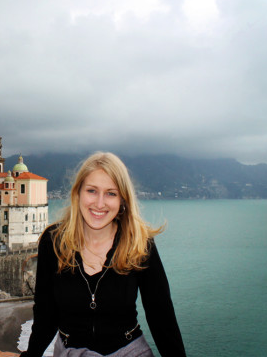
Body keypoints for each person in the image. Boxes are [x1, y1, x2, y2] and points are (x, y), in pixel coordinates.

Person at [20, 152, 186, 357]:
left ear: (123, 200)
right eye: (92, 191)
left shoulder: (139, 243)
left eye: (111, 193)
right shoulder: (53, 242)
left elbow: (161, 315)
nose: (100, 203)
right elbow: (46, 313)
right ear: (78, 193)